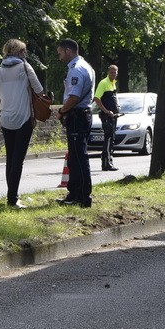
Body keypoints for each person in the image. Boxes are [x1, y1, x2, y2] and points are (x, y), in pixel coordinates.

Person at [0, 39, 45, 208]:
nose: (25, 54)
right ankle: (12, 199)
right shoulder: (25, 67)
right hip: (23, 118)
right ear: (20, 53)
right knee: (18, 160)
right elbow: (40, 90)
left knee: (10, 159)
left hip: (6, 119)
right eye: (24, 52)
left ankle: (11, 196)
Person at [55, 39, 95, 207]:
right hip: (81, 115)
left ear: (68, 51)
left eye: (60, 53)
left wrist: (62, 111)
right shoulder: (86, 66)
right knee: (75, 157)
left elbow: (74, 97)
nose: (59, 57)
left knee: (78, 157)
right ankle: (75, 193)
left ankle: (82, 196)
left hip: (78, 115)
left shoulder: (76, 70)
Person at [93, 64, 119, 171]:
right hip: (107, 116)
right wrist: (106, 111)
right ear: (108, 72)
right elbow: (96, 98)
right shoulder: (103, 83)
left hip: (113, 116)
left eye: (115, 72)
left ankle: (106, 163)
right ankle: (107, 163)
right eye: (112, 72)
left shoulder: (113, 83)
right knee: (108, 139)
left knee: (111, 139)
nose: (113, 74)